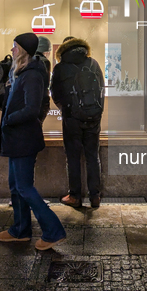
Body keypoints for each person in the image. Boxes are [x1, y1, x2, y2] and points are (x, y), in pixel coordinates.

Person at [0, 33, 66, 250]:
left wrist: (9, 118)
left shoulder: (33, 75)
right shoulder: (21, 71)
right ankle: (20, 230)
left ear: (24, 50)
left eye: (15, 47)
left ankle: (53, 231)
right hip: (15, 138)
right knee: (15, 186)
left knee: (25, 187)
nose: (12, 50)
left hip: (24, 138)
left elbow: (32, 109)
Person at [51, 37, 104, 209]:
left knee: (73, 157)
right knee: (92, 157)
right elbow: (101, 90)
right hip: (93, 118)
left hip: (72, 120)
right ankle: (95, 196)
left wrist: (66, 110)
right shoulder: (93, 63)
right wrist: (97, 112)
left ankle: (75, 196)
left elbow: (55, 93)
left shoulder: (60, 67)